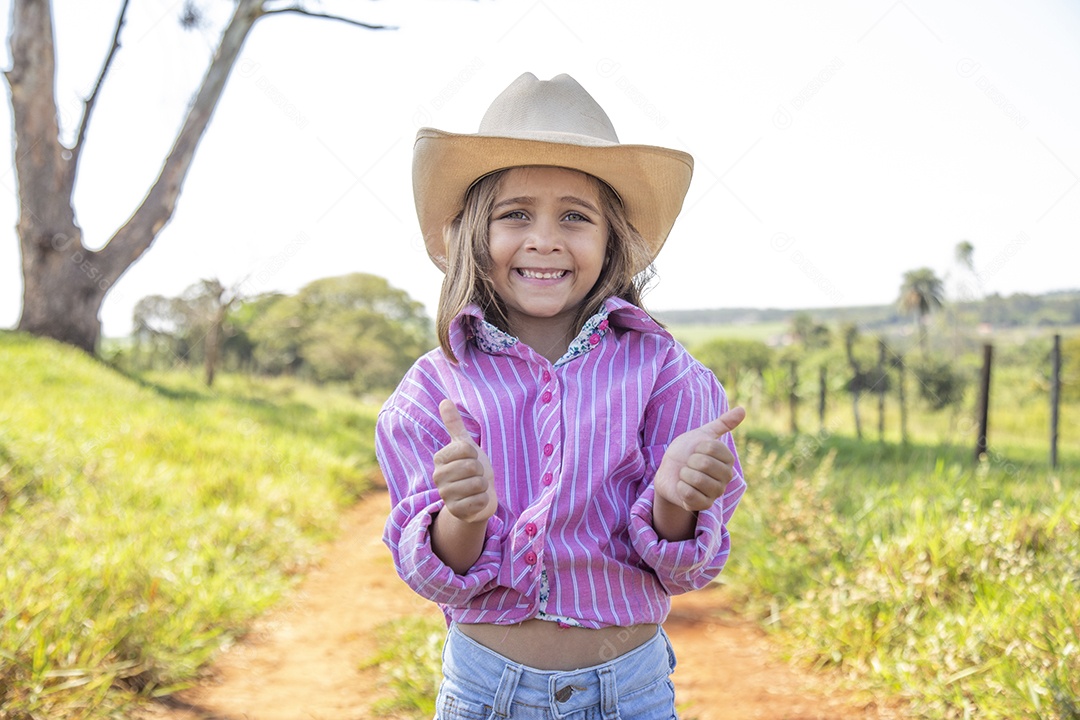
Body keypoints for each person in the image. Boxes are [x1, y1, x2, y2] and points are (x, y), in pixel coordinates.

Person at [377, 71, 747, 720]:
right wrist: (462, 515)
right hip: (484, 691)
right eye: (515, 214)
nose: (545, 239)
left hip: (629, 692)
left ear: (612, 242)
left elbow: (686, 571)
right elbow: (433, 572)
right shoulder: (431, 390)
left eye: (575, 217)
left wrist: (675, 498)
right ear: (472, 234)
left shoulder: (666, 374)